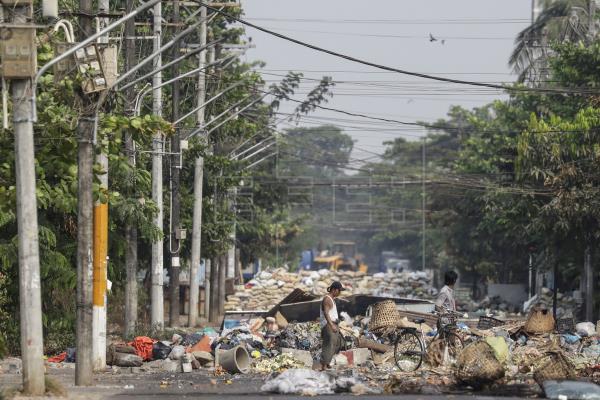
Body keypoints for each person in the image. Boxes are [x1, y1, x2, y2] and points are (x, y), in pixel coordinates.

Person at [318, 281, 345, 370]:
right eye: (339, 290)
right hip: (328, 325)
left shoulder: (332, 299)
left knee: (337, 343)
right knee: (328, 345)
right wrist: (331, 325)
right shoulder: (327, 299)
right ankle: (324, 365)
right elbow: (326, 313)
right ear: (334, 290)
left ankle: (327, 362)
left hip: (333, 324)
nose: (339, 293)